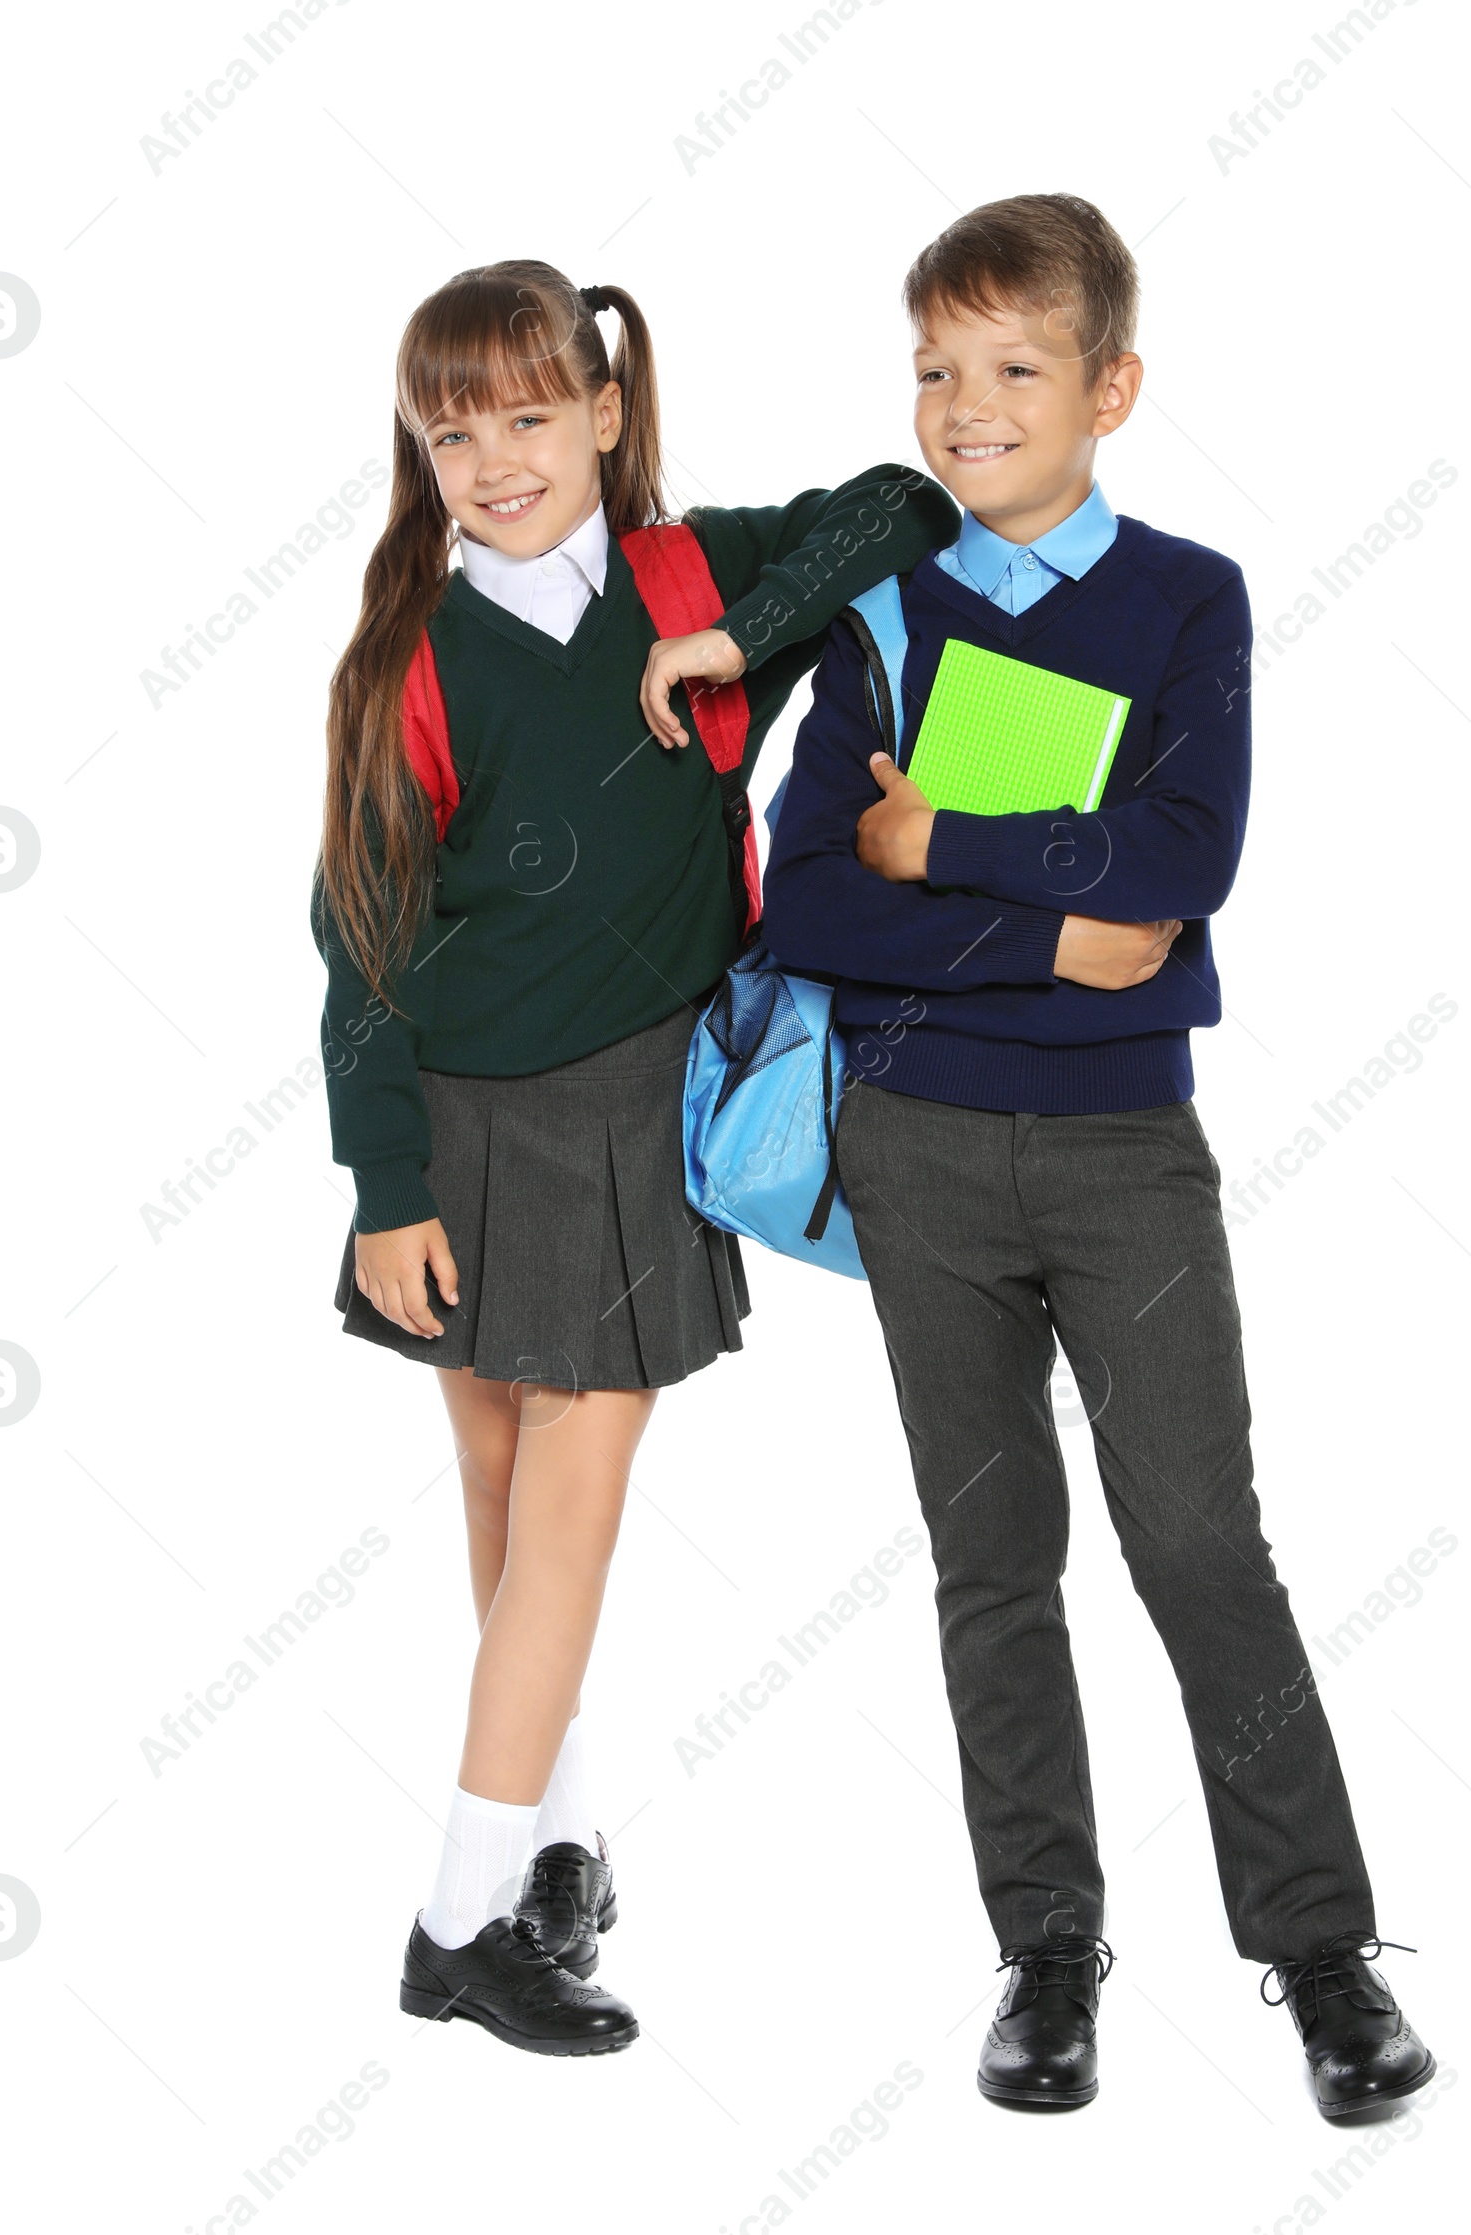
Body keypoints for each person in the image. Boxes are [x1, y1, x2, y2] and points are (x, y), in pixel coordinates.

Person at [762, 194, 1434, 2117]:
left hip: (1125, 1148)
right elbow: (813, 901)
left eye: (1014, 367)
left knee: (1203, 1544)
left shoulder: (1187, 597)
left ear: (1108, 386)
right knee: (995, 1559)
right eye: (935, 372)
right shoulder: (883, 617)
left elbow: (1185, 863)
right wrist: (1052, 927)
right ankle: (1044, 1952)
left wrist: (945, 845)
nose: (965, 406)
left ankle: (1321, 1953)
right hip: (918, 1153)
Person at [315, 258, 956, 2058]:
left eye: (530, 414)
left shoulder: (695, 570)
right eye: (455, 431)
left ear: (606, 412)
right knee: (527, 1517)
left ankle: (541, 1848)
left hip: (630, 1108)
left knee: (550, 1520)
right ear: (420, 454)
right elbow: (355, 941)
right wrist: (387, 1190)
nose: (493, 459)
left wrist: (741, 638)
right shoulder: (408, 656)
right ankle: (465, 1922)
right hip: (457, 1124)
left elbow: (906, 507)